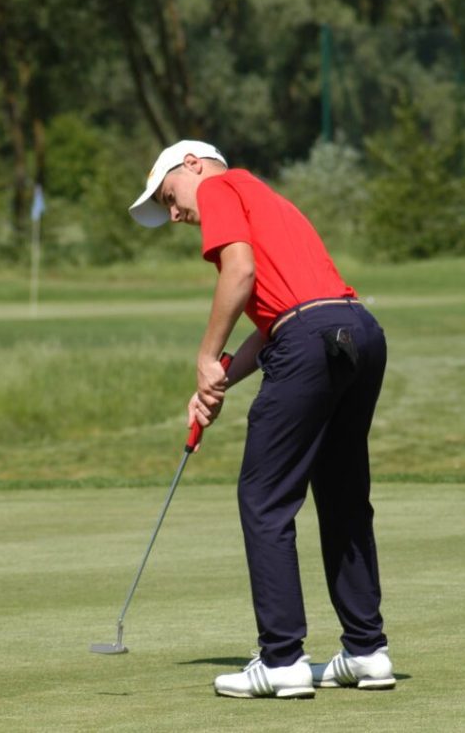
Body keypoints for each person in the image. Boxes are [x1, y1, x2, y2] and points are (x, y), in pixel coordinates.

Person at [129, 141, 394, 699]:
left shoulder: (220, 187)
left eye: (169, 196)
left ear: (192, 165)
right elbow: (282, 317)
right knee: (342, 495)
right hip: (358, 332)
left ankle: (282, 659)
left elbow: (240, 272)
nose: (173, 214)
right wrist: (219, 377)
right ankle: (367, 652)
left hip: (309, 338)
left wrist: (206, 356)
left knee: (265, 498)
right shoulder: (269, 198)